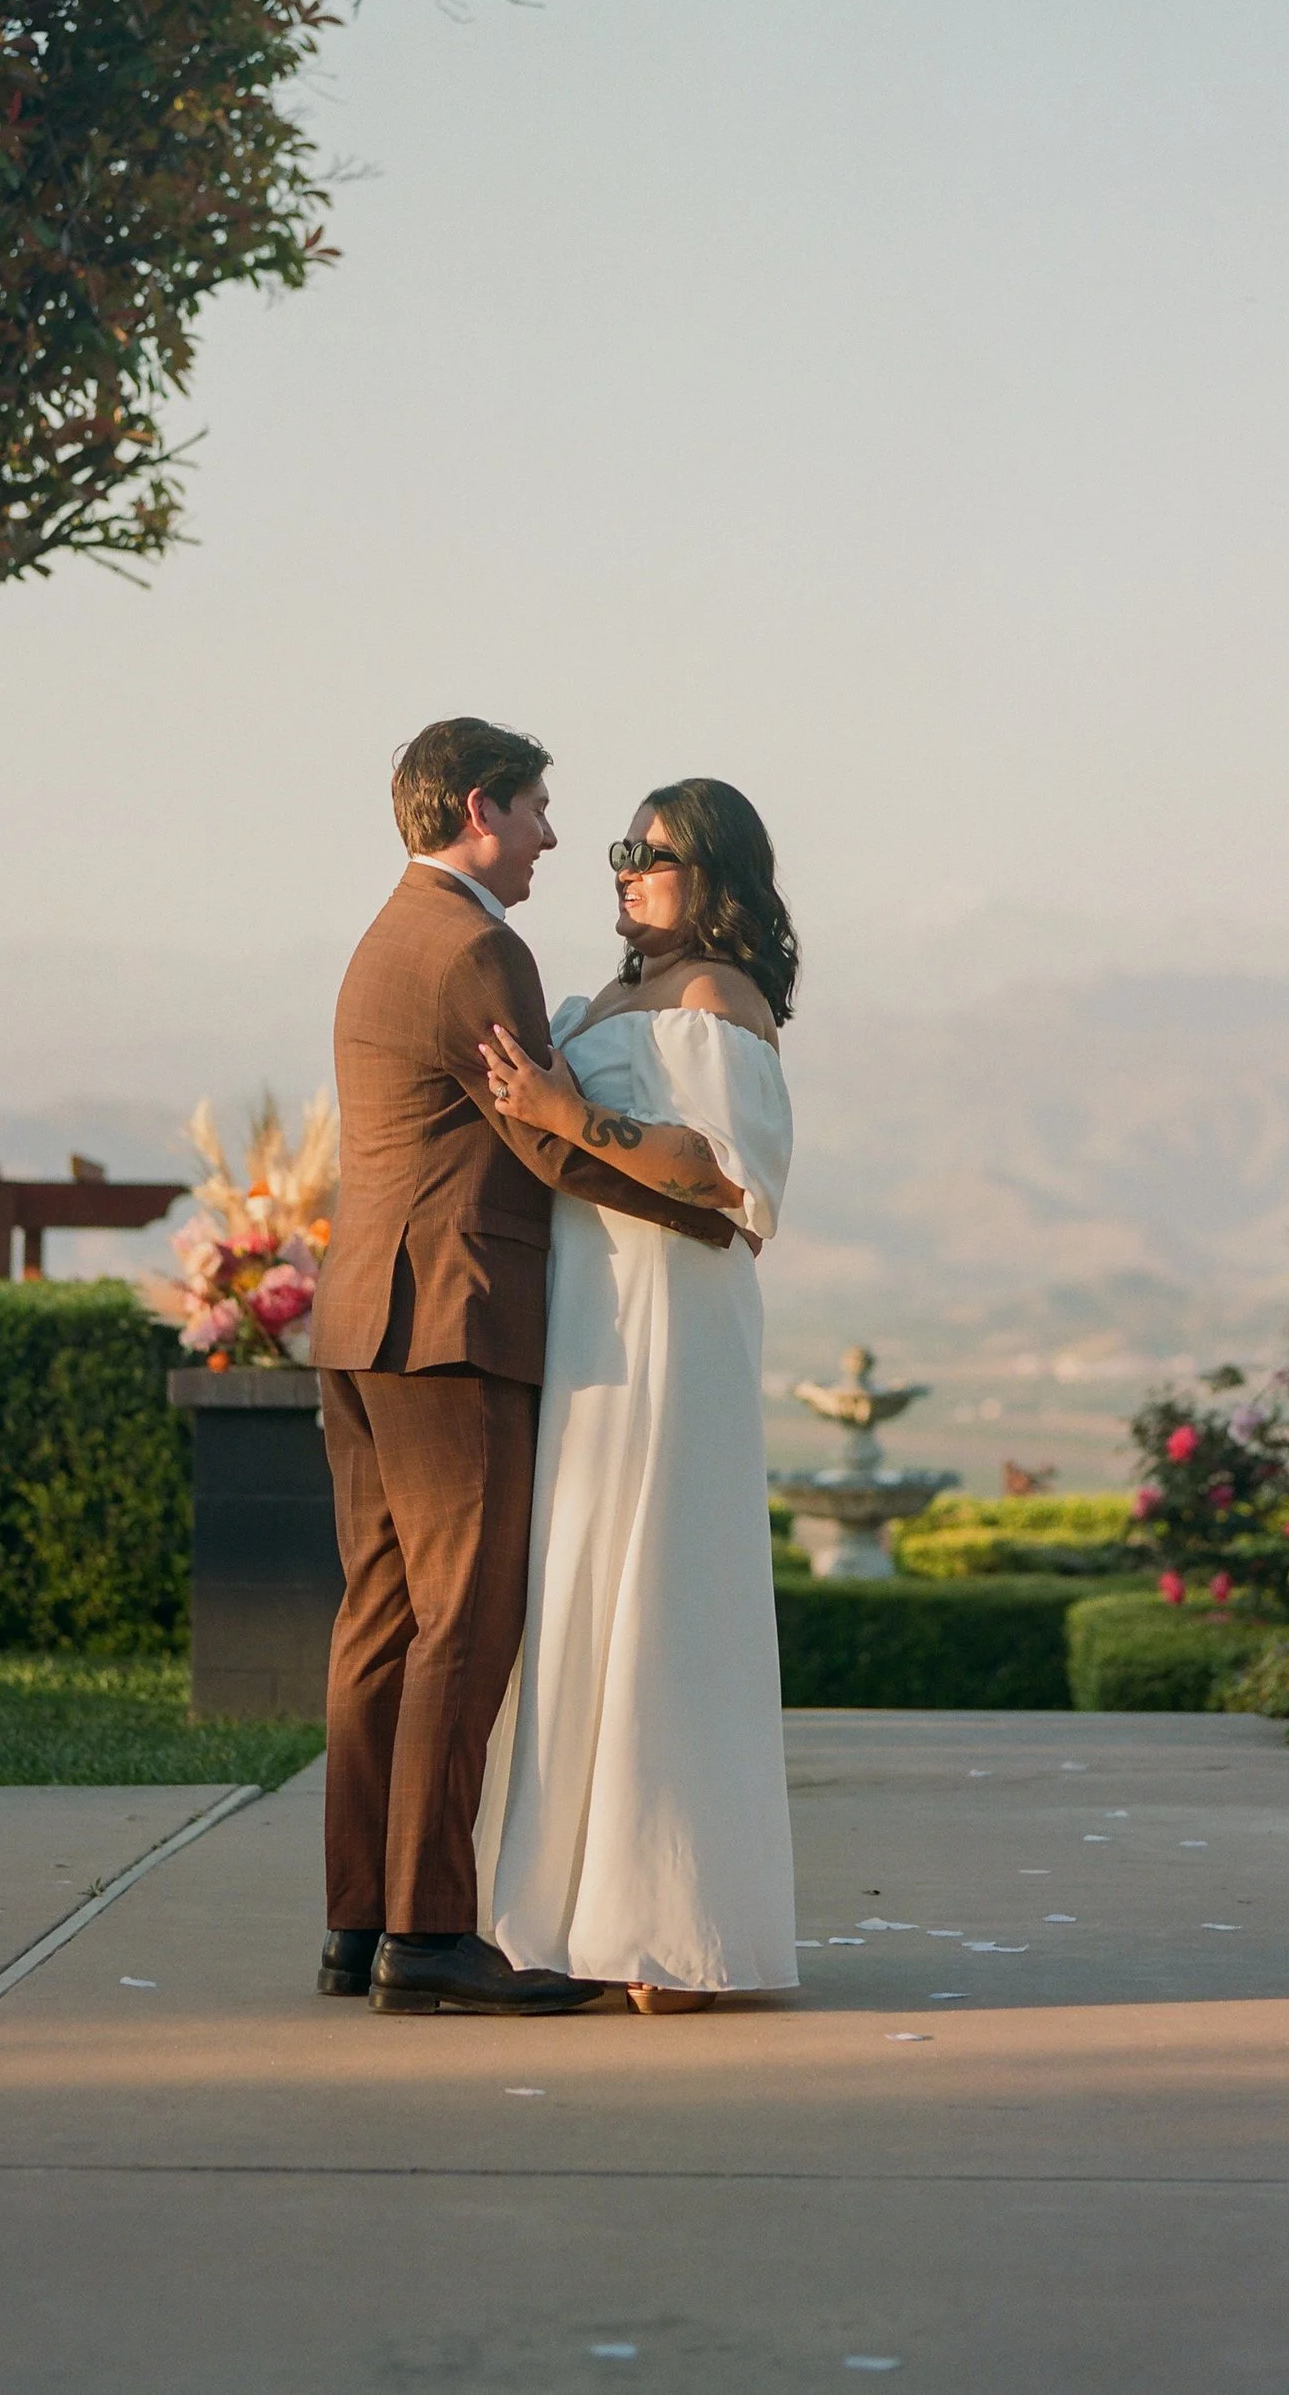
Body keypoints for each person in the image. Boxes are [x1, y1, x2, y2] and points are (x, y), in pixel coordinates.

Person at [310, 718, 738, 2018]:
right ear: (482, 807)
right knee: (463, 1619)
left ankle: (360, 1919)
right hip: (450, 1321)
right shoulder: (480, 942)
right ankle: (435, 1933)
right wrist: (706, 1202)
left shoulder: (391, 929)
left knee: (380, 1619)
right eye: (543, 810)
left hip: (360, 1320)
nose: (558, 838)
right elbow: (546, 1140)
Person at [477, 776, 800, 2011]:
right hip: (589, 1313)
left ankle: (675, 1930)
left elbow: (721, 1177)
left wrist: (567, 1111)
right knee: (578, 1590)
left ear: (713, 878)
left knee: (661, 1591)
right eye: (618, 848)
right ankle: (560, 1914)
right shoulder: (603, 994)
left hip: (671, 1315)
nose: (620, 869)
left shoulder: (720, 998)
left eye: (647, 853)